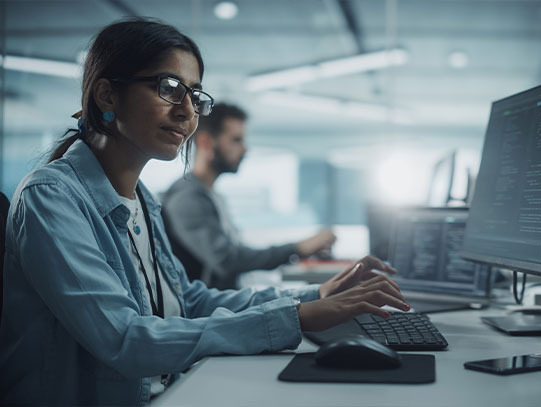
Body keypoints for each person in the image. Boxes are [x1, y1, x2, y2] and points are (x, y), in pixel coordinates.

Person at [0, 18, 409, 406]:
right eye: (169, 87)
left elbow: (187, 301)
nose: (188, 111)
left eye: (194, 96)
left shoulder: (142, 198)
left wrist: (312, 295)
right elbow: (125, 339)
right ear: (107, 94)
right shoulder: (51, 198)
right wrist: (295, 318)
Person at [162, 103, 336, 289]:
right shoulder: (187, 198)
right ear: (206, 142)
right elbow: (227, 259)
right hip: (205, 312)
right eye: (236, 140)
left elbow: (235, 253)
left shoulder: (212, 195)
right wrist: (298, 248)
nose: (245, 149)